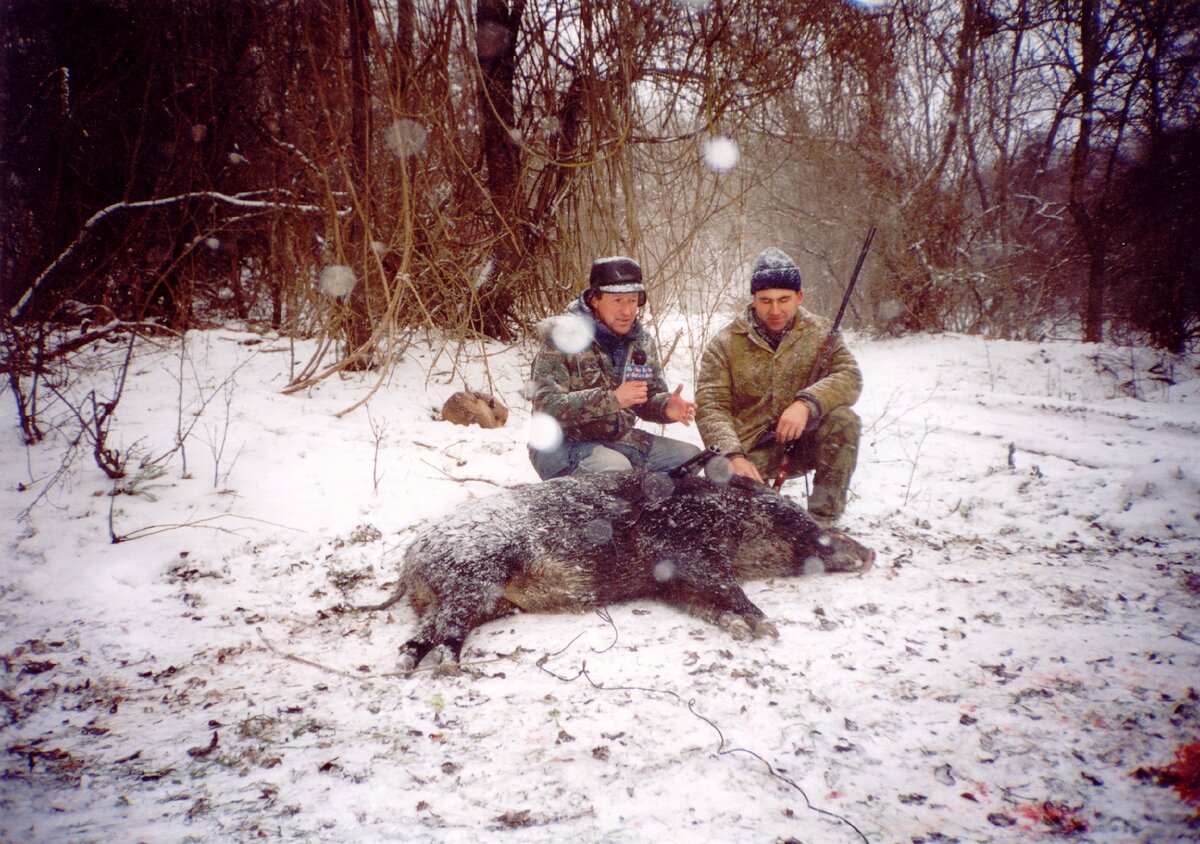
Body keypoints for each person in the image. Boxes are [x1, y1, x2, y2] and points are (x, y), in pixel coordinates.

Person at [695, 247, 863, 523]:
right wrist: (733, 456)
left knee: (844, 420)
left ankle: (823, 522)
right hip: (750, 449)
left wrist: (806, 403)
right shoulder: (724, 344)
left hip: (806, 443)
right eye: (765, 300)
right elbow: (712, 407)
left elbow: (849, 375)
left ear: (799, 297)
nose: (775, 310)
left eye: (784, 299)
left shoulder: (822, 333)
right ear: (754, 299)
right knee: (723, 499)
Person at [529, 256, 700, 479]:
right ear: (594, 300)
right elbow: (546, 407)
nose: (627, 311)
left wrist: (666, 407)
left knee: (690, 458)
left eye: (632, 300)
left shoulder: (641, 342)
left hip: (617, 440)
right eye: (617, 300)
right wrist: (612, 399)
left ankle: (652, 512)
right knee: (616, 471)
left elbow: (646, 397)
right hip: (560, 444)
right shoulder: (562, 338)